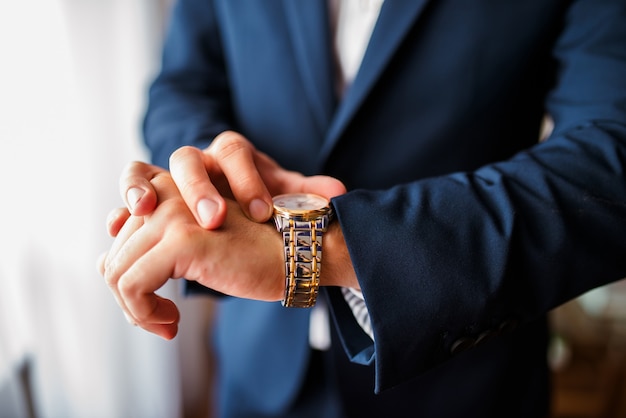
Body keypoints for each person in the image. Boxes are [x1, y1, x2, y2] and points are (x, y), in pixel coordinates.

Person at [99, 0, 626, 417]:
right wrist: (208, 169)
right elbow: (182, 84)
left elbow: (611, 159)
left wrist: (324, 249)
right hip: (257, 371)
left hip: (460, 380)